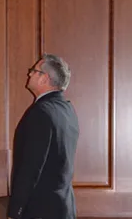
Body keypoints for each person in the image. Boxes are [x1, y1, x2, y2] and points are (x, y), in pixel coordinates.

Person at [8, 54, 79, 219]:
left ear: (44, 78)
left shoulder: (40, 112)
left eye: (34, 71)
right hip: (63, 208)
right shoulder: (68, 111)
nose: (29, 74)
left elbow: (30, 167)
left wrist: (15, 211)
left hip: (40, 211)